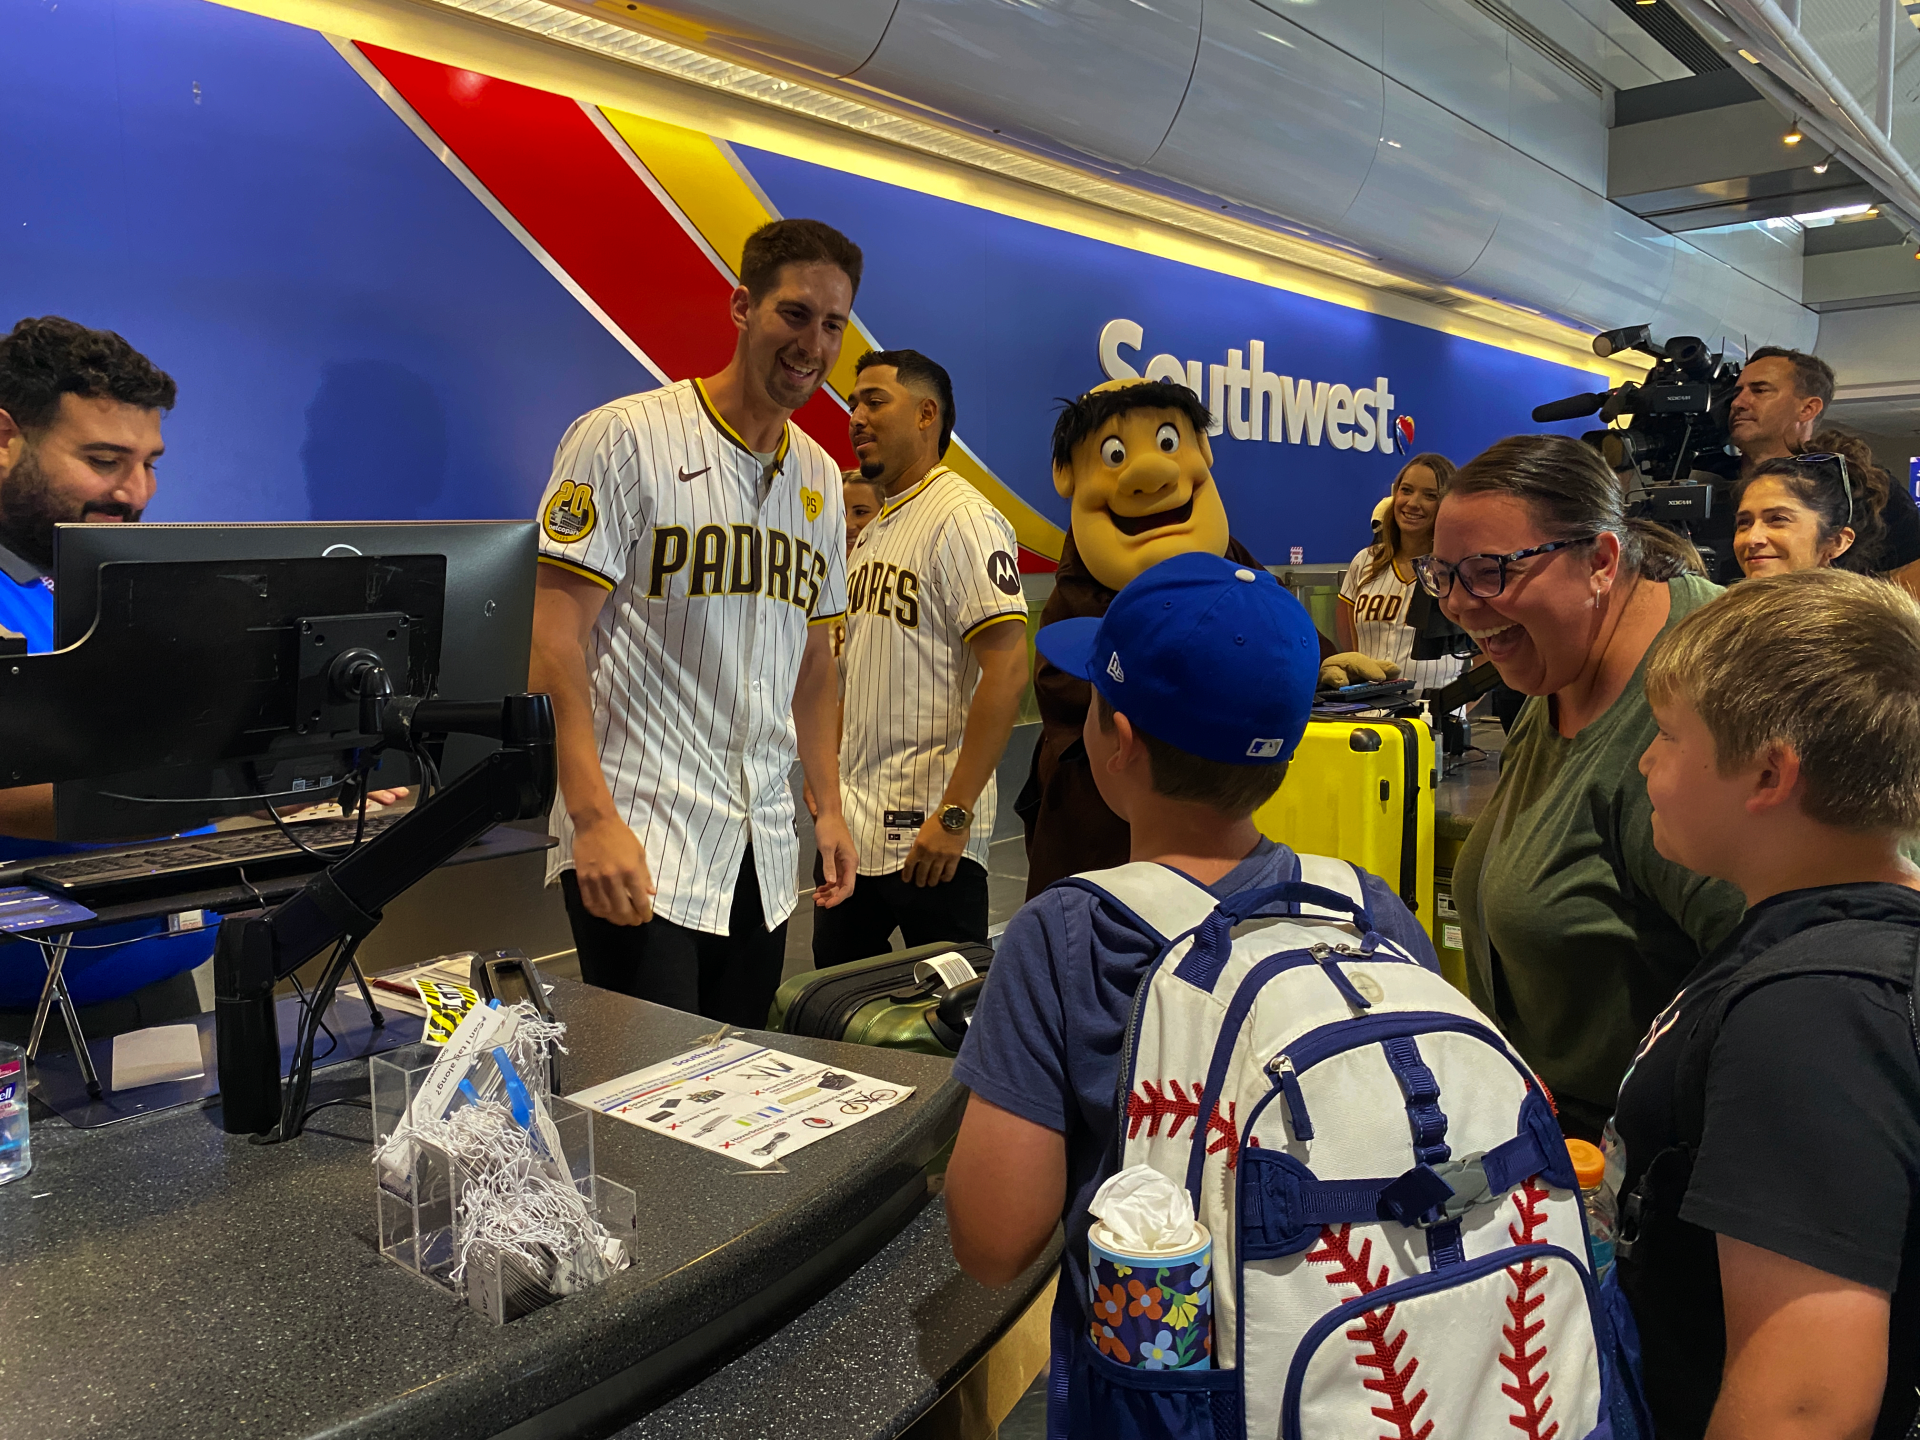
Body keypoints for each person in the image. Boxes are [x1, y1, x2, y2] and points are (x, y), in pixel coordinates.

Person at [944, 552, 1438, 1412]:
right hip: (1360, 1384)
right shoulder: (1370, 912)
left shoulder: (1066, 935)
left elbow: (993, 1241)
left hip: (1174, 1404)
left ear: (1117, 740)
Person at [529, 218, 861, 1027]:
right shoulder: (622, 438)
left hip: (761, 849)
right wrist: (592, 819)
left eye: (832, 325)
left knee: (734, 1102)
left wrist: (829, 805)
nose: (811, 344)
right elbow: (550, 638)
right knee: (648, 1110)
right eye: (794, 314)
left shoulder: (819, 475)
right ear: (743, 306)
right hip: (642, 836)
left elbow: (814, 663)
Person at [1614, 567, 1920, 1439]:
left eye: (1667, 735)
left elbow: (1805, 1403)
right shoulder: (1818, 942)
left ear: (1766, 775)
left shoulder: (1814, 1011)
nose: (1645, 759)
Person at [1426, 434, 1746, 1140]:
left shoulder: (1714, 687)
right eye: (1441, 575)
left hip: (1662, 1177)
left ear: (1601, 561)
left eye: (1488, 571)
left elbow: (1799, 989)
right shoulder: (1562, 652)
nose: (1458, 603)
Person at [814, 349, 1029, 965]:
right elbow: (847, 673)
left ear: (927, 414)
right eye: (853, 403)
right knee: (836, 1021)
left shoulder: (963, 517)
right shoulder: (875, 530)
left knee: (940, 1039)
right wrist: (825, 782)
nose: (856, 415)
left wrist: (955, 817)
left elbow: (1007, 669)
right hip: (853, 834)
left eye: (875, 401)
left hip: (933, 844)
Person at [1730, 347, 1920, 586]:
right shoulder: (1707, 479)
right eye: (1737, 392)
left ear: (1808, 408)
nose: (1739, 402)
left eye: (1759, 390)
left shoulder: (1862, 486)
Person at [1336, 451, 1462, 691]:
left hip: (1433, 716)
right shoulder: (1365, 561)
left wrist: (1459, 702)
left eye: (1430, 495)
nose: (1413, 503)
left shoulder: (1460, 568)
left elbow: (1488, 651)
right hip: (1371, 713)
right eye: (1406, 490)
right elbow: (1353, 650)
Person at [1732, 450, 1885, 578]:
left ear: (1837, 542)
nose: (1752, 538)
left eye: (1777, 519)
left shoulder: (1854, 614)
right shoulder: (1723, 610)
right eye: (1744, 523)